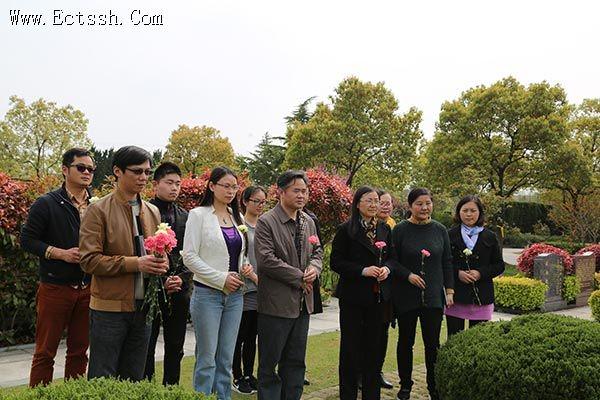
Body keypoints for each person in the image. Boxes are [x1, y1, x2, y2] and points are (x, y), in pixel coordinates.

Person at [80, 145, 167, 381]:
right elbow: (88, 261)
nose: (143, 178)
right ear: (117, 171)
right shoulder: (97, 210)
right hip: (109, 309)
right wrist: (136, 263)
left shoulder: (152, 211)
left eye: (148, 172)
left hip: (144, 308)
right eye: (137, 171)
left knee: (134, 379)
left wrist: (161, 263)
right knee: (102, 379)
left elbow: (156, 253)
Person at [21, 148, 94, 387]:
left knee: (79, 352)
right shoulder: (46, 203)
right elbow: (27, 240)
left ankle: (73, 394)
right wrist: (59, 253)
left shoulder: (97, 205)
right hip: (55, 287)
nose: (86, 173)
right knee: (45, 352)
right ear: (65, 170)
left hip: (88, 288)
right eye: (80, 168)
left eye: (90, 169)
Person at [254, 170, 323, 400]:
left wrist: (314, 267)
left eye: (305, 191)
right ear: (281, 192)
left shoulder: (308, 221)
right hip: (276, 304)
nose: (302, 195)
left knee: (295, 362)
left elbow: (318, 251)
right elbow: (266, 260)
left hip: (303, 304)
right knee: (269, 364)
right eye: (296, 190)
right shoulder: (267, 221)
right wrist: (300, 277)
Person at [182, 166, 247, 399]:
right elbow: (189, 256)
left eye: (234, 186)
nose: (231, 191)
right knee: (207, 358)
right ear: (212, 186)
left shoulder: (236, 215)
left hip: (235, 296)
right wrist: (221, 278)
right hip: (208, 294)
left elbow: (238, 252)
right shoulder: (198, 215)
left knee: (226, 358)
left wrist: (244, 266)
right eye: (225, 186)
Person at [331, 186, 396, 400]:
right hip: (353, 298)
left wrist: (386, 268)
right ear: (357, 203)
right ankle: (348, 395)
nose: (374, 204)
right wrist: (363, 270)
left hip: (377, 298)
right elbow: (336, 262)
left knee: (373, 349)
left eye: (376, 200)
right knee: (350, 349)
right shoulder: (346, 229)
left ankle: (371, 395)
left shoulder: (385, 229)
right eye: (369, 200)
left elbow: (392, 258)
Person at [391, 188, 454, 400]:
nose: (424, 207)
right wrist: (408, 275)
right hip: (406, 295)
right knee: (405, 341)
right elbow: (392, 261)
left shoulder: (440, 230)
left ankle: (433, 386)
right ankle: (406, 384)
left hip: (433, 296)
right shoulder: (400, 230)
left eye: (428, 203)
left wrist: (450, 290)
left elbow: (447, 262)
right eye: (419, 203)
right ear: (410, 206)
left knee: (432, 344)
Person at [143, 162, 190, 385]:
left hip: (178, 287)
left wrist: (181, 277)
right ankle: (147, 389)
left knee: (175, 346)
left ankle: (171, 390)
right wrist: (160, 279)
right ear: (156, 184)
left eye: (178, 184)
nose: (174, 188)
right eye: (169, 183)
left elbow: (192, 254)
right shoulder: (144, 212)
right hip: (149, 289)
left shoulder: (186, 216)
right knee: (146, 345)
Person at [445, 195, 505, 337]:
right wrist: (457, 273)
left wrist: (480, 273)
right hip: (456, 296)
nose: (469, 214)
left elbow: (499, 265)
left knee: (478, 339)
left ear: (480, 213)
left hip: (482, 296)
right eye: (465, 210)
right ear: (459, 212)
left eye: (473, 210)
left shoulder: (489, 236)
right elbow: (444, 263)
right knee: (454, 338)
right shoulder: (449, 235)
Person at [232, 185, 267, 394]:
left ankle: (248, 373)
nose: (260, 205)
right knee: (240, 335)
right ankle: (236, 375)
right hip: (244, 288)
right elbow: (241, 258)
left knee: (253, 335)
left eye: (263, 202)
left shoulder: (264, 225)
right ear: (245, 201)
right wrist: (254, 277)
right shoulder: (239, 225)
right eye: (256, 201)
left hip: (261, 290)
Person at [374, 189, 396, 389]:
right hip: (369, 289)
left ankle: (377, 371)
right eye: (382, 202)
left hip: (389, 290)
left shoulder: (394, 228)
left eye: (389, 203)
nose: (386, 206)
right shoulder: (369, 227)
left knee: (383, 333)